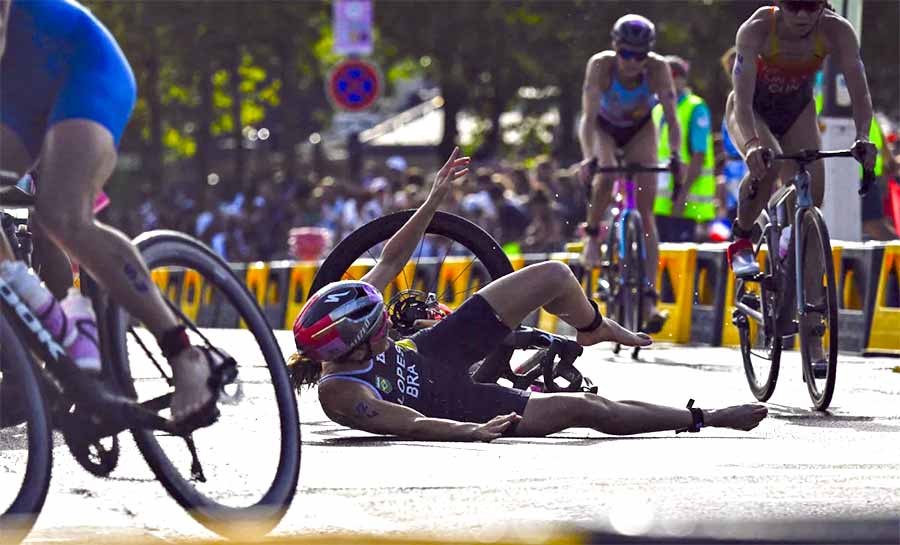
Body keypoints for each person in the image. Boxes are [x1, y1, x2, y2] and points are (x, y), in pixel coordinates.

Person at [287, 147, 768, 442]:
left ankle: (593, 327)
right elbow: (411, 424)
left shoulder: (352, 308)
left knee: (553, 275)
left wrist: (433, 199)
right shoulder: (341, 393)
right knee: (586, 409)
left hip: (436, 348)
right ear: (352, 347)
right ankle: (706, 417)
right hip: (457, 402)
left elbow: (391, 261)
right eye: (380, 330)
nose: (387, 322)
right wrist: (471, 432)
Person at [0, 0, 225, 431]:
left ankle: (183, 353)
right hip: (18, 96)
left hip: (81, 67)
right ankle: (39, 341)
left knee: (60, 216)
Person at [724, 0, 877, 278]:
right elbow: (743, 102)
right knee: (766, 163)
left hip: (797, 109)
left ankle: (790, 261)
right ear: (779, 4)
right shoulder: (757, 29)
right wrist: (751, 145)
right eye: (794, 5)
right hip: (752, 109)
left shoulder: (837, 30)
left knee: (813, 194)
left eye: (811, 5)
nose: (803, 15)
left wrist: (863, 137)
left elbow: (860, 93)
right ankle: (742, 238)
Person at [578, 14, 687, 334]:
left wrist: (676, 155)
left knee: (646, 211)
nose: (632, 62)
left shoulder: (657, 69)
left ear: (649, 54)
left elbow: (671, 117)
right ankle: (594, 235)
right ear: (615, 48)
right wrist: (588, 158)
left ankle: (650, 299)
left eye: (639, 55)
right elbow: (587, 118)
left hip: (640, 130)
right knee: (607, 175)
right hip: (604, 128)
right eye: (626, 53)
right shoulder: (600, 66)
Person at [652, 55, 717, 243]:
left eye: (673, 76)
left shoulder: (695, 108)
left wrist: (682, 196)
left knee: (682, 264)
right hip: (661, 206)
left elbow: (699, 155)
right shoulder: (657, 111)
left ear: (681, 78)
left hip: (685, 205)